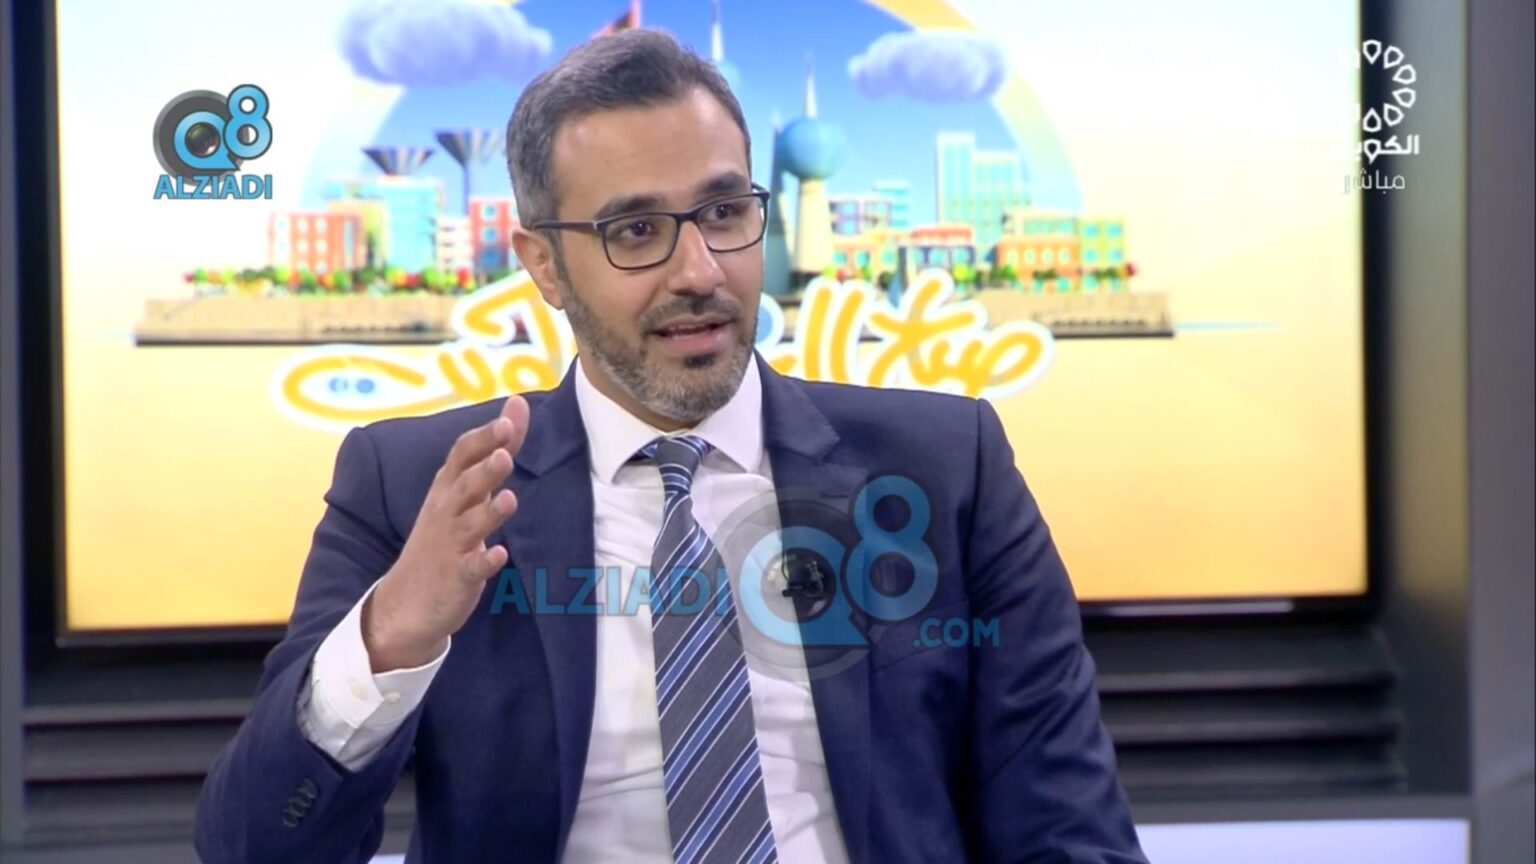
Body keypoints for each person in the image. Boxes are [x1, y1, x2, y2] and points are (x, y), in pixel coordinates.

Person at [194, 30, 1146, 864]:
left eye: (724, 214)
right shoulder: (417, 489)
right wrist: (389, 640)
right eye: (636, 230)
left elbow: (1070, 826)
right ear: (543, 265)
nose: (699, 271)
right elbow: (253, 847)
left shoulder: (945, 466)